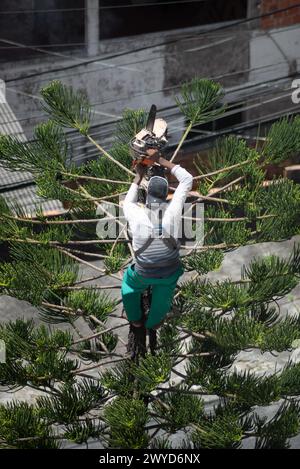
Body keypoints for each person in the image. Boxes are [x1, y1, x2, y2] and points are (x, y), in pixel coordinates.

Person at [121, 149, 193, 331]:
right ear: (166, 195)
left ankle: (135, 319)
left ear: (147, 198)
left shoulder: (135, 213)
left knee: (129, 287)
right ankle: (155, 322)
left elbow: (127, 202)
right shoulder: (173, 210)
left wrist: (138, 176)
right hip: (169, 270)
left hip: (143, 272)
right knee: (165, 292)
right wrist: (160, 159)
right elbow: (187, 180)